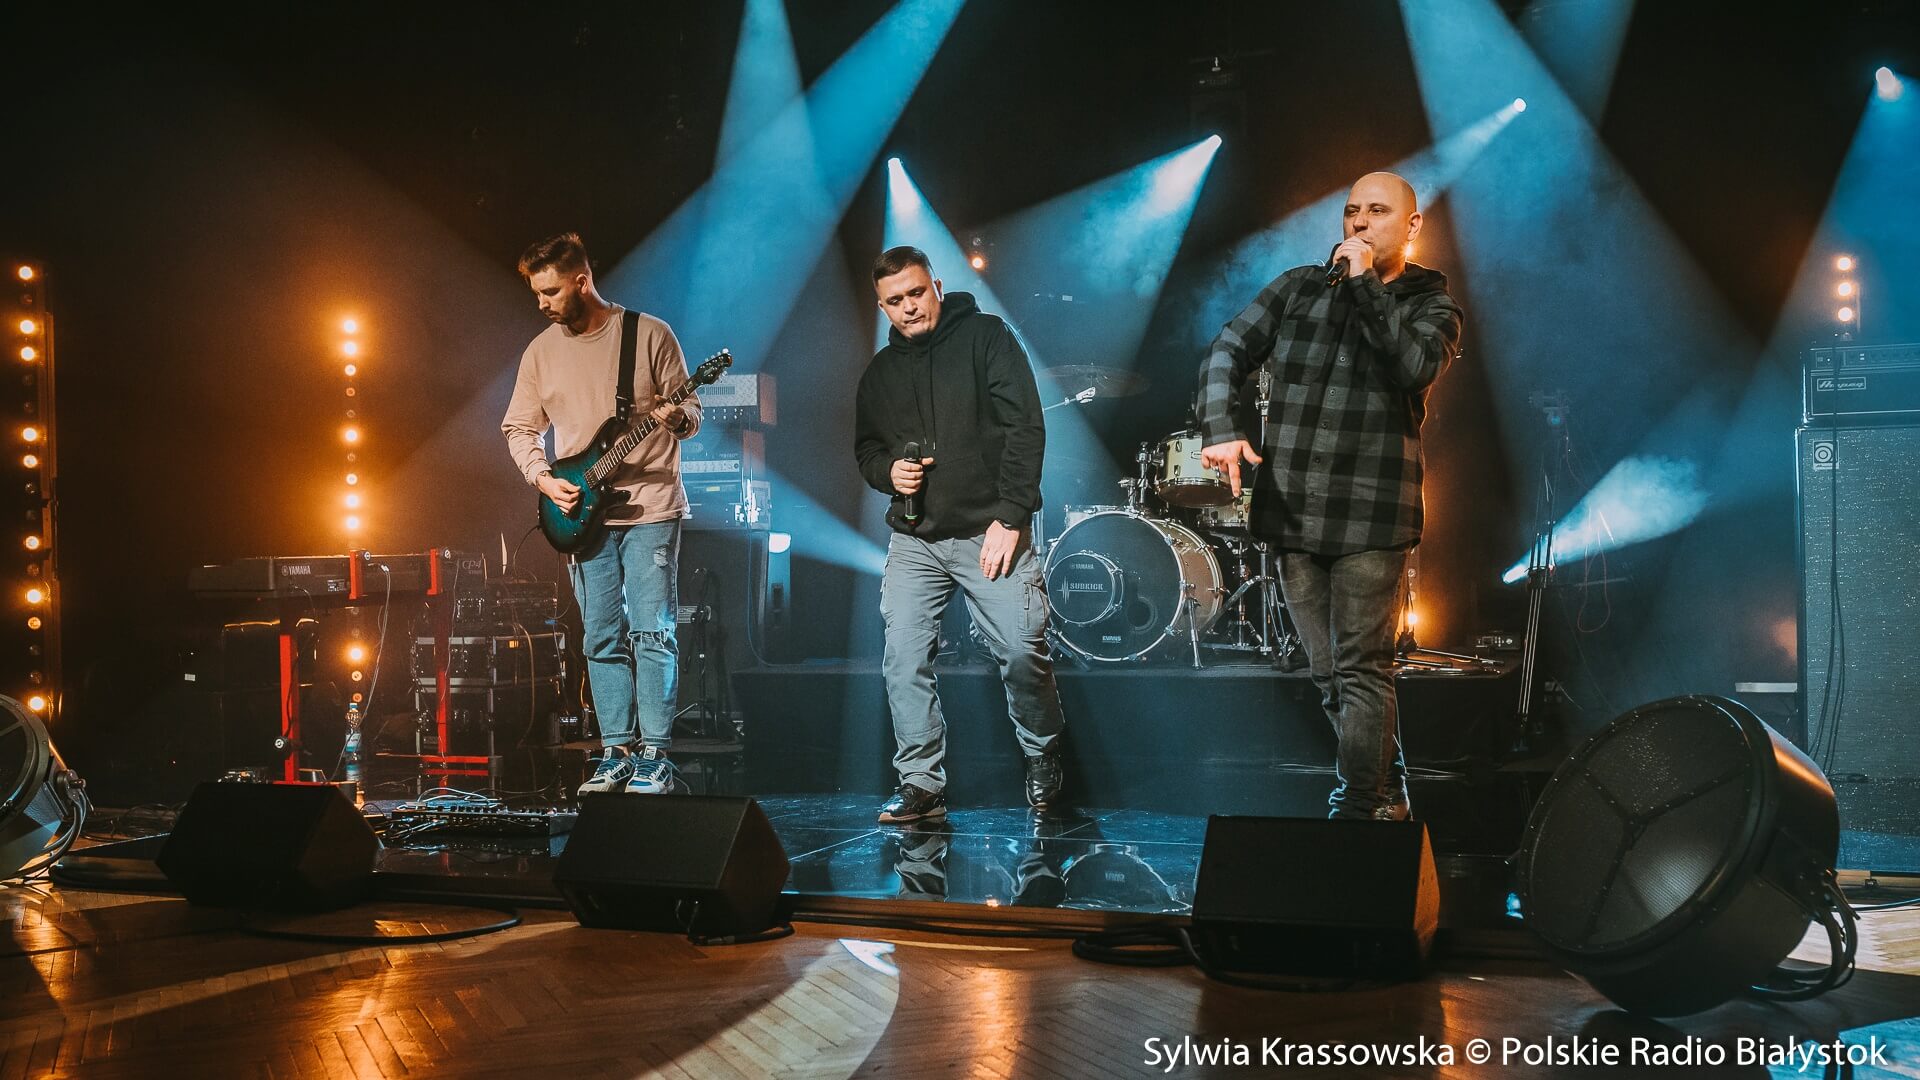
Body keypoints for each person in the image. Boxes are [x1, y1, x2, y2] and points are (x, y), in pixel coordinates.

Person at [1197, 172, 1463, 821]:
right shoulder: (1299, 287)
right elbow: (1228, 346)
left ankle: (1357, 809)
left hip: (1371, 514)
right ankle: (1388, 785)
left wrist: (1367, 284)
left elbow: (1411, 366)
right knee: (1326, 672)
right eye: (1351, 211)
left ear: (1412, 225)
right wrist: (1222, 428)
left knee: (1362, 668)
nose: (1360, 223)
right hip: (1293, 510)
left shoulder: (1434, 307)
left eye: (1377, 211)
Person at [854, 245, 1067, 823]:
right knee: (903, 659)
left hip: (989, 529)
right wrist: (888, 473)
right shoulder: (879, 373)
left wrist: (1012, 517)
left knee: (1021, 651)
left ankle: (1043, 753)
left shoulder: (986, 337)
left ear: (938, 288)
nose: (908, 307)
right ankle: (920, 783)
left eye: (916, 293)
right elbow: (867, 450)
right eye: (894, 300)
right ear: (882, 307)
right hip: (916, 538)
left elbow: (1026, 427)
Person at [502, 232, 702, 796]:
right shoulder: (540, 352)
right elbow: (519, 427)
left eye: (550, 291)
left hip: (651, 507)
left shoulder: (649, 333)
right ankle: (615, 750)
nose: (541, 303)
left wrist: (676, 419)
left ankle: (654, 755)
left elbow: (690, 409)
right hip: (581, 513)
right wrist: (544, 479)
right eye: (536, 293)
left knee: (652, 631)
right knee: (600, 636)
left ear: (581, 281)